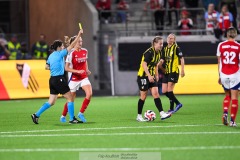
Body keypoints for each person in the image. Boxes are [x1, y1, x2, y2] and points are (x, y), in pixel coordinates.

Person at [31, 29, 83, 124]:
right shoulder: (60, 53)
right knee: (70, 97)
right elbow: (71, 46)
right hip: (59, 79)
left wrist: (54, 67)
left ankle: (36, 115)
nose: (63, 47)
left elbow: (46, 67)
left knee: (51, 102)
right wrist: (79, 34)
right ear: (59, 47)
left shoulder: (51, 56)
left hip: (52, 80)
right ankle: (72, 119)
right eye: (62, 46)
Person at [136, 36, 171, 122]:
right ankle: (139, 116)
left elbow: (155, 64)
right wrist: (148, 75)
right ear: (155, 43)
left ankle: (162, 113)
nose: (162, 45)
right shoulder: (149, 52)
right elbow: (144, 65)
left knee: (156, 93)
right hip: (143, 76)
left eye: (162, 43)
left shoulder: (158, 52)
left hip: (151, 76)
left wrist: (156, 75)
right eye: (160, 44)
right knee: (143, 96)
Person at [60, 36, 92, 123]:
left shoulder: (85, 51)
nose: (80, 43)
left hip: (83, 77)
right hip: (73, 79)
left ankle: (81, 113)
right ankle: (63, 115)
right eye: (78, 41)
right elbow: (66, 68)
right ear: (74, 43)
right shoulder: (71, 53)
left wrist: (86, 69)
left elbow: (85, 61)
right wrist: (77, 71)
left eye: (81, 41)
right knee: (71, 99)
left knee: (89, 94)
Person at [217, 27, 240, 127]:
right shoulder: (238, 46)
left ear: (227, 34)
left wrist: (219, 75)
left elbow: (219, 61)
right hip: (235, 74)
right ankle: (232, 121)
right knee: (235, 97)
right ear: (235, 35)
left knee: (227, 96)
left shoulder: (221, 45)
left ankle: (225, 113)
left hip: (224, 74)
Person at [159, 33, 185, 114]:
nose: (169, 39)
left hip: (173, 71)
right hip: (167, 72)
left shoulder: (176, 48)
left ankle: (175, 106)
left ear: (174, 40)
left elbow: (182, 59)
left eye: (171, 38)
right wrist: (158, 64)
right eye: (168, 38)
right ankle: (175, 105)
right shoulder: (165, 49)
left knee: (170, 90)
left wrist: (183, 70)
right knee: (164, 91)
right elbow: (162, 59)